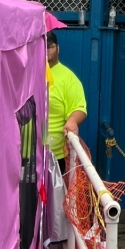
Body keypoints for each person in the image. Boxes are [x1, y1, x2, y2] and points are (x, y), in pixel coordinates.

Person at [46, 31, 87, 165]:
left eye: (49, 46)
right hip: (25, 153)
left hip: (55, 155)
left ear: (58, 48)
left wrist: (72, 121)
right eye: (42, 46)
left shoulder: (69, 78)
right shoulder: (26, 73)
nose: (46, 50)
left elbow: (78, 108)